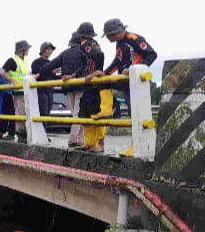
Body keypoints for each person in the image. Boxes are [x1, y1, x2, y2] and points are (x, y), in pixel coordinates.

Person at [99, 18, 158, 157]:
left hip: (137, 82)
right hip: (125, 82)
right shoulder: (119, 43)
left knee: (136, 114)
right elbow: (117, 61)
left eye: (108, 36)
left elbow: (151, 54)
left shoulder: (134, 39)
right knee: (104, 82)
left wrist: (134, 68)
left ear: (116, 32)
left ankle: (137, 145)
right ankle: (106, 110)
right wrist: (106, 72)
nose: (107, 39)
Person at [42, 32, 85, 147]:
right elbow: (85, 67)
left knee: (75, 113)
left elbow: (50, 65)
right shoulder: (84, 52)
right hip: (81, 85)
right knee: (79, 114)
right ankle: (74, 139)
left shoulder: (64, 53)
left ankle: (80, 140)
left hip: (67, 87)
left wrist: (39, 73)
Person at [73, 22, 109, 153]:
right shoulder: (91, 44)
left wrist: (95, 72)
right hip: (88, 85)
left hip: (93, 85)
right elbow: (84, 66)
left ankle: (99, 143)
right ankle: (89, 142)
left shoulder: (87, 44)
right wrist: (74, 74)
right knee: (85, 115)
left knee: (95, 115)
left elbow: (99, 55)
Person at [0, 40, 34, 143]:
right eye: (27, 49)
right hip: (18, 91)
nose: (28, 51)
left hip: (26, 91)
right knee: (20, 113)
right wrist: (12, 81)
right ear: (22, 50)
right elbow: (2, 72)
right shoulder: (13, 60)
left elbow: (26, 75)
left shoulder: (25, 61)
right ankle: (21, 134)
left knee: (26, 113)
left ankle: (25, 134)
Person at [31, 42, 58, 121]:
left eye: (51, 49)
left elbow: (53, 77)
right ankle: (42, 132)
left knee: (47, 112)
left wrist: (64, 76)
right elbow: (36, 75)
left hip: (50, 91)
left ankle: (44, 131)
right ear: (43, 50)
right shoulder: (36, 62)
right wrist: (51, 71)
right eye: (48, 49)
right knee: (43, 112)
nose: (50, 51)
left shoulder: (51, 63)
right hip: (41, 91)